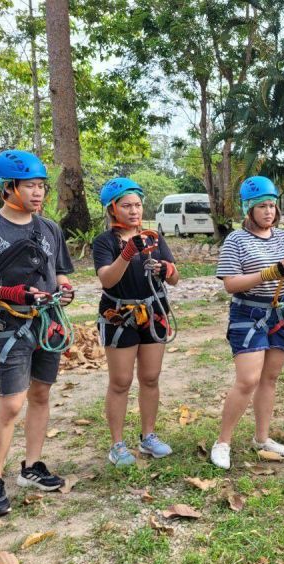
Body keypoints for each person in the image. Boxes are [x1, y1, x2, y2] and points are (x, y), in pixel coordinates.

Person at [0, 150, 75, 517]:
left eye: (41, 186)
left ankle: (32, 467)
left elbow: (59, 271)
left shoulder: (50, 228)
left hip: (47, 322)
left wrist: (65, 287)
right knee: (11, 404)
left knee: (41, 394)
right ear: (8, 187)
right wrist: (6, 293)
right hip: (9, 326)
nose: (38, 193)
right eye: (29, 186)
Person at [212, 176, 284, 470]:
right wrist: (269, 273)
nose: (269, 211)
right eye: (262, 206)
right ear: (248, 209)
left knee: (270, 378)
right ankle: (223, 442)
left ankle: (262, 438)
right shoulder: (236, 240)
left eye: (272, 206)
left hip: (279, 313)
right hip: (248, 314)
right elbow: (230, 284)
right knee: (248, 379)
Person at [93, 177, 179, 467]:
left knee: (151, 377)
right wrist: (128, 253)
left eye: (138, 205)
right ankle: (117, 444)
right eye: (126, 205)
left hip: (153, 310)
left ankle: (149, 436)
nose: (134, 211)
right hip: (119, 314)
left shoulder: (154, 238)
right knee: (121, 381)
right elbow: (107, 279)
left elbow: (176, 277)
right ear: (112, 209)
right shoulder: (104, 242)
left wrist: (165, 268)